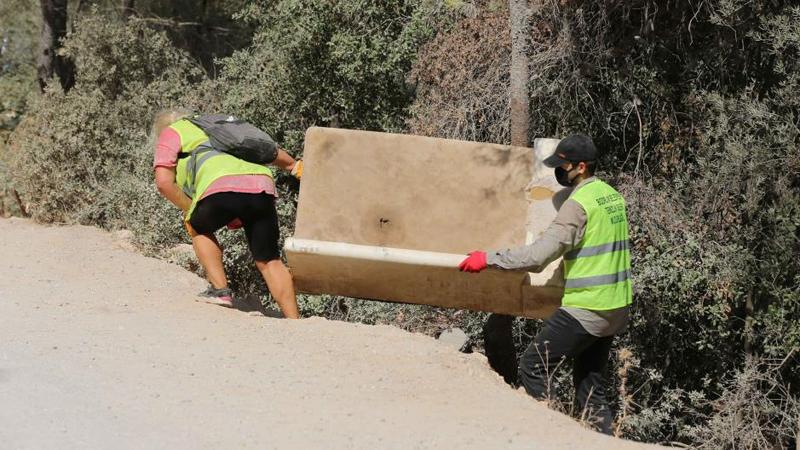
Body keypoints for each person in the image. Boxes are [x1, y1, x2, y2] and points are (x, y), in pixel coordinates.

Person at [458, 134, 631, 434]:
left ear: (581, 167)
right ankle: (605, 440)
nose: (557, 172)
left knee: (533, 366)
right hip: (615, 307)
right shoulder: (611, 196)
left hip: (588, 307)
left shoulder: (578, 206)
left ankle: (552, 435)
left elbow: (537, 257)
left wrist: (488, 258)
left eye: (562, 166)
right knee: (589, 385)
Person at [152, 109, 302, 319]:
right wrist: (294, 166)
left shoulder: (172, 132)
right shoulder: (217, 126)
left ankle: (221, 291)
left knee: (197, 225)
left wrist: (189, 208)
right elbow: (260, 148)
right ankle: (294, 319)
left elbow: (163, 183)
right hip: (261, 186)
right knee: (269, 259)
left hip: (220, 184)